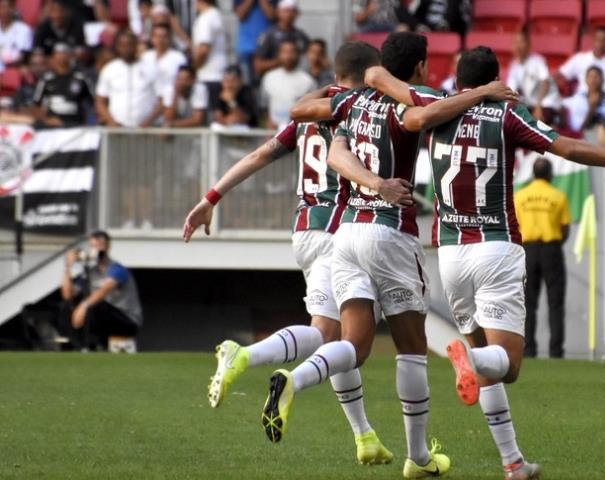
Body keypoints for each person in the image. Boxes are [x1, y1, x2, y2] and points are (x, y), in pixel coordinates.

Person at [361, 45, 605, 479]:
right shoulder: (507, 115)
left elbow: (378, 77)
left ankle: (513, 462)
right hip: (496, 247)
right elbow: (569, 148)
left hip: (449, 253)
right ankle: (470, 364)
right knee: (507, 364)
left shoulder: (434, 105)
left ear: (457, 79)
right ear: (494, 79)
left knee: (483, 362)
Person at [268, 31, 517, 478]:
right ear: (420, 68)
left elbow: (313, 127)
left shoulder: (349, 103)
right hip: (390, 235)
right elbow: (429, 115)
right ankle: (417, 458)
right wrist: (480, 93)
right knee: (412, 349)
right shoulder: (406, 109)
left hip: (344, 235)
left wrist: (350, 86)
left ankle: (295, 378)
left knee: (354, 345)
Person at [182, 40, 395, 467]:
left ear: (335, 76)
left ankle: (365, 437)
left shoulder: (306, 113)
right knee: (352, 341)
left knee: (327, 335)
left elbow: (261, 154)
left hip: (305, 231)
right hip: (343, 229)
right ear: (372, 75)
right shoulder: (360, 108)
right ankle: (248, 355)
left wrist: (211, 197)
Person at [515, 158, 569, 361]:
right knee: (555, 303)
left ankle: (528, 350)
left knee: (528, 303)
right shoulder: (558, 196)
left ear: (534, 174)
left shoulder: (520, 196)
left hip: (527, 250)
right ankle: (556, 352)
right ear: (549, 174)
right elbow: (565, 229)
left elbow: (514, 226)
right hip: (552, 250)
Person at [60, 231, 142, 351]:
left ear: (108, 247)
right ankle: (73, 345)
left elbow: (103, 291)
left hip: (126, 319)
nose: (97, 249)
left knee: (95, 304)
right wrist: (67, 267)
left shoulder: (117, 269)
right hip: (100, 316)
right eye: (93, 246)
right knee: (67, 306)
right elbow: (67, 295)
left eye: (100, 245)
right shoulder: (90, 272)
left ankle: (88, 345)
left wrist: (83, 306)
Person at [95, 30, 162, 128]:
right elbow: (100, 101)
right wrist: (110, 121)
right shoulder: (109, 69)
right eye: (122, 45)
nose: (127, 49)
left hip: (146, 129)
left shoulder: (151, 68)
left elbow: (163, 100)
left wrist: (149, 121)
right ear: (117, 47)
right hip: (118, 129)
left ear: (136, 46)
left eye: (130, 45)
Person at [32, 43, 94, 128]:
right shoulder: (46, 80)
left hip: (76, 126)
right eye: (58, 54)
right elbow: (36, 105)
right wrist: (46, 120)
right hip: (53, 127)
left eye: (64, 53)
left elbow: (93, 102)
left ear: (70, 56)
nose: (61, 57)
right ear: (52, 58)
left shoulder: (81, 78)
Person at [507, 30, 560, 124]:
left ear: (528, 45)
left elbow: (545, 83)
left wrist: (538, 107)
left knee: (540, 122)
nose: (518, 46)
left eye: (521, 42)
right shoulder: (514, 65)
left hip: (546, 103)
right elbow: (511, 90)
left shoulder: (538, 60)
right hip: (530, 104)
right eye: (516, 42)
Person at [260, 40, 316, 128]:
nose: (288, 56)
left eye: (292, 52)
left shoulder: (307, 80)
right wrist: (267, 122)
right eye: (285, 52)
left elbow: (312, 109)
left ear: (298, 55)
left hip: (296, 131)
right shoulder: (269, 77)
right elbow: (263, 106)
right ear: (279, 54)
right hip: (273, 131)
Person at [254, 0, 311, 80]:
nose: (289, 14)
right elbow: (258, 65)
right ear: (278, 12)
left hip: (297, 79)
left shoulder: (301, 36)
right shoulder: (269, 35)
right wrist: (283, 61)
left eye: (292, 11)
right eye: (286, 11)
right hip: (273, 79)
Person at [192, 0, 228, 100]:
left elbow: (203, 49)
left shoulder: (205, 18)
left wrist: (194, 68)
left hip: (208, 75)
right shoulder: (217, 15)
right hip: (220, 73)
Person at [234, 0, 276, 85]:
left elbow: (272, 15)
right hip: (246, 49)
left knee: (268, 83)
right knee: (246, 86)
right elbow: (240, 14)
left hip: (267, 50)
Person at [563, 65, 605, 132]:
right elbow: (580, 131)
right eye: (590, 77)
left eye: (596, 77)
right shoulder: (578, 99)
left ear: (603, 79)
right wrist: (592, 109)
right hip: (580, 138)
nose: (593, 80)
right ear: (586, 80)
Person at [141, 24, 187, 95]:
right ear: (152, 38)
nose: (160, 40)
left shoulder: (178, 57)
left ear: (169, 38)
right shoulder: (146, 56)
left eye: (164, 36)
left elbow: (184, 81)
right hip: (150, 98)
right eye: (157, 36)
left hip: (171, 98)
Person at [0, 0, 33, 69]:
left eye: (7, 7)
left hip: (13, 68)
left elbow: (22, 56)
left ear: (14, 9)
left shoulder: (24, 30)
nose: (4, 11)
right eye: (1, 7)